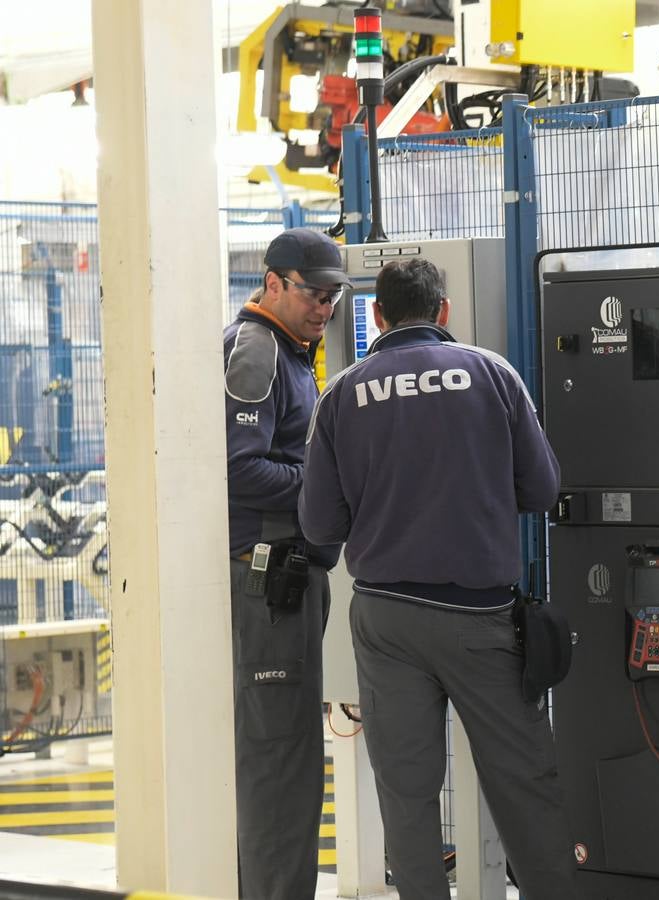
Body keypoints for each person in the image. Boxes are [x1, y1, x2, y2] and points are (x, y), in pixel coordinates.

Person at [298, 257, 577, 899]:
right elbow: (541, 489)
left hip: (386, 620)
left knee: (407, 791)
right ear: (443, 311)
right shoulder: (494, 375)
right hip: (481, 619)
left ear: (377, 315)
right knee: (524, 785)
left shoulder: (342, 393)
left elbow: (319, 526)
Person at [223, 227, 349, 899]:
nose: (323, 308)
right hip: (267, 579)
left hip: (282, 578)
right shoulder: (257, 353)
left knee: (281, 754)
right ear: (273, 282)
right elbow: (237, 467)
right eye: (312, 293)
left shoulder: (289, 351)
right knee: (279, 761)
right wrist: (321, 487)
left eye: (333, 296)